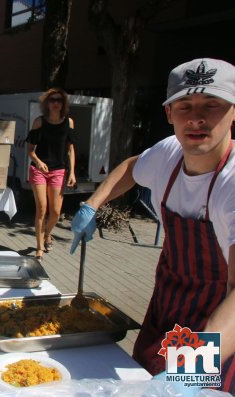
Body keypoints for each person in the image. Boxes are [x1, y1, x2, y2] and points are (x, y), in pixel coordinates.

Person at [71, 58, 235, 393]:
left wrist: (194, 369)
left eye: (212, 105)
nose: (196, 117)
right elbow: (132, 167)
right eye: (184, 105)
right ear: (169, 114)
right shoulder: (168, 154)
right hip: (169, 310)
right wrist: (91, 205)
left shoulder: (231, 182)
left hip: (220, 333)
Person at [26, 88, 76, 262]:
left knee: (55, 212)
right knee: (42, 209)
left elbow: (70, 149)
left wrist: (72, 172)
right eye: (52, 100)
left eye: (59, 100)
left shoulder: (68, 122)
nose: (56, 103)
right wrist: (39, 162)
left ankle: (47, 234)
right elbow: (30, 150)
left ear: (63, 104)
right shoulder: (39, 122)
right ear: (47, 103)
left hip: (59, 171)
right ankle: (39, 248)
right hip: (39, 170)